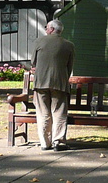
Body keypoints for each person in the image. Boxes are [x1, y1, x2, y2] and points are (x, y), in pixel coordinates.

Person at [30, 18, 75, 151]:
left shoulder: (39, 41)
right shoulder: (69, 45)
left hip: (41, 82)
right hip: (59, 82)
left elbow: (33, 61)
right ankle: (58, 141)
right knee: (59, 112)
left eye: (46, 27)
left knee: (43, 112)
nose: (45, 29)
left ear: (51, 29)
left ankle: (45, 142)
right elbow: (69, 67)